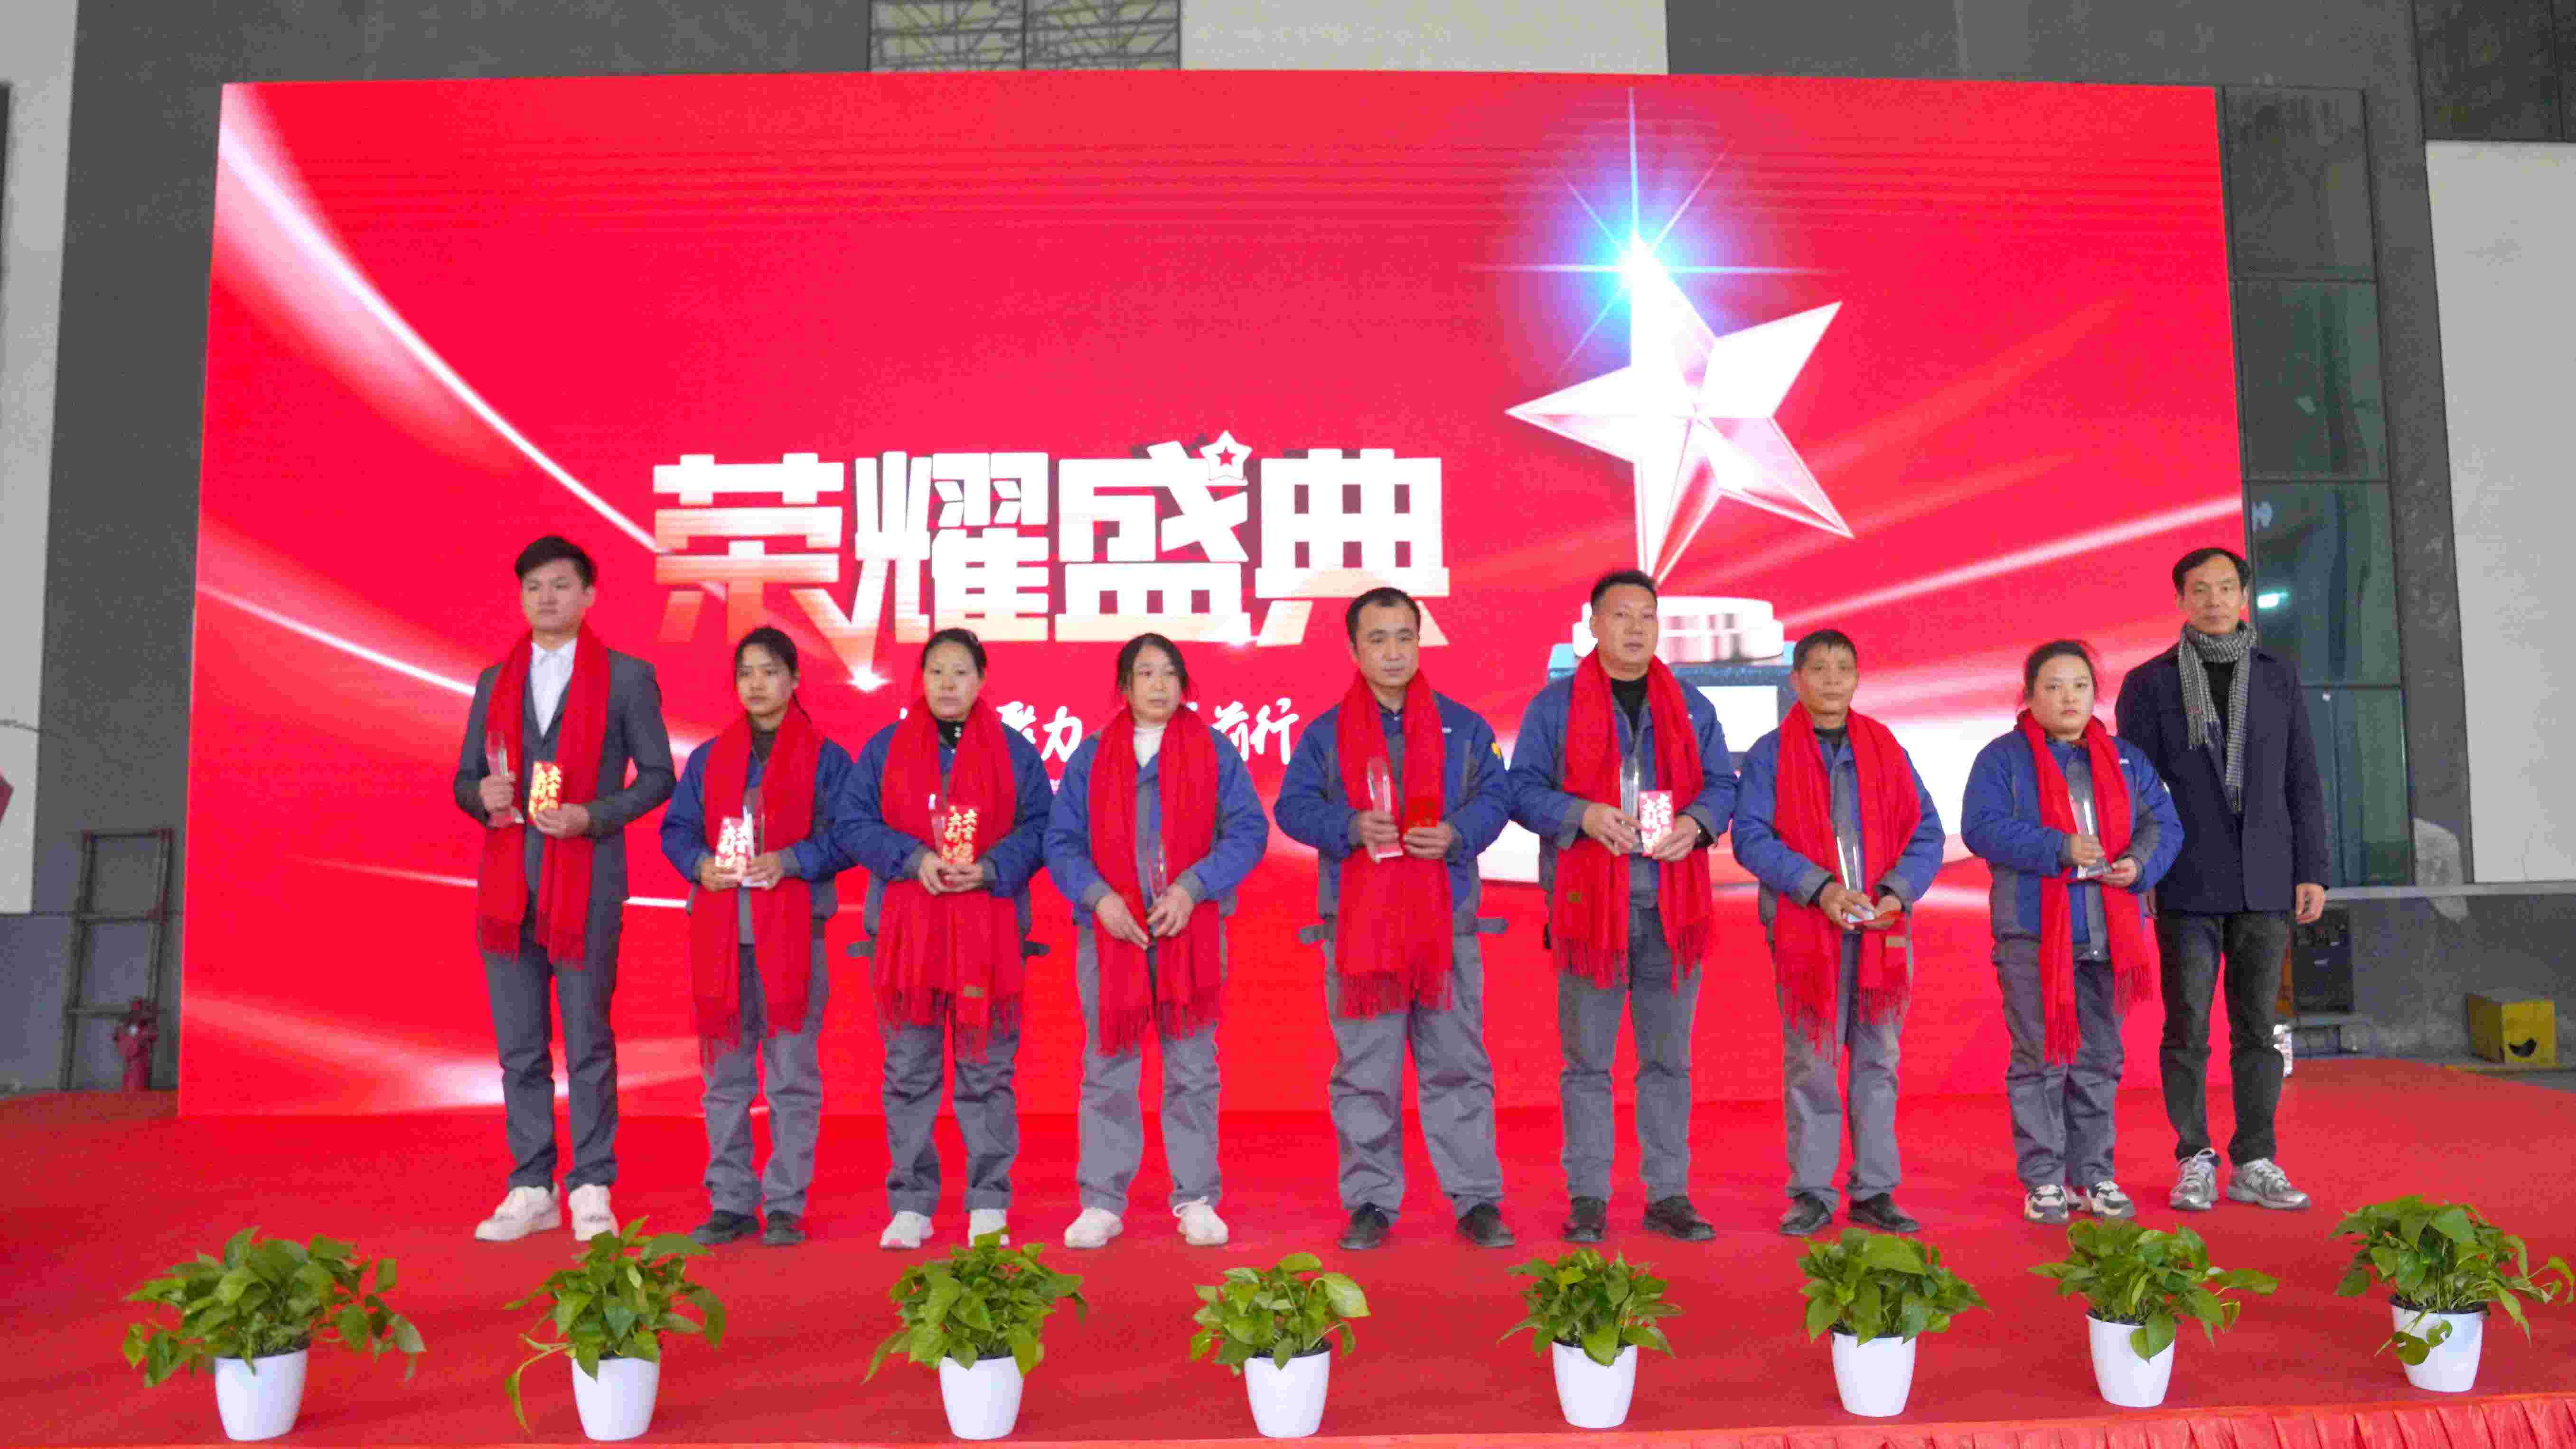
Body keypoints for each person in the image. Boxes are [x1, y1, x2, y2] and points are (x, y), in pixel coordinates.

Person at [1275, 588, 1517, 1251]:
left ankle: (1476, 1199)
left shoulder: (1463, 727)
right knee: (1365, 1072)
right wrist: (1348, 825)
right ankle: (1371, 1200)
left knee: (1458, 1066)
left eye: (1404, 636)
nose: (1392, 651)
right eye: (1377, 639)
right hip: (1361, 932)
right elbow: (1291, 807)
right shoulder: (1326, 733)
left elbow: (1497, 798)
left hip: (1446, 930)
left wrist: (1457, 833)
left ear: (1419, 642)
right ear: (1354, 649)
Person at [451, 535, 673, 1243]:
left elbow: (659, 776)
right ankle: (531, 1184)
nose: (545, 598)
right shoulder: (494, 681)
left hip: (586, 884)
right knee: (519, 1046)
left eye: (559, 585)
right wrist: (481, 795)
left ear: (589, 595)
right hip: (507, 887)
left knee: (587, 1042)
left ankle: (593, 1182)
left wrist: (592, 816)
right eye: (533, 587)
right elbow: (463, 779)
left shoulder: (628, 677)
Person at [1507, 569, 1737, 1243]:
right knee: (1587, 1065)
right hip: (1589, 913)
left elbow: (1723, 785)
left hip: (1671, 907)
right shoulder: (1555, 706)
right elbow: (1520, 790)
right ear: (1593, 625)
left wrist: (1697, 823)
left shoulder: (1690, 705)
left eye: (1646, 616)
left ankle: (1668, 1194)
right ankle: (1588, 1197)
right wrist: (1580, 814)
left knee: (1668, 1063)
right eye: (1620, 615)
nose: (1635, 628)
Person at [2115, 547, 2328, 1215]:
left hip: (2266, 877)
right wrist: (2145, 867)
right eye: (2200, 589)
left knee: (2257, 1027)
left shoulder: (2276, 675)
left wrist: (2312, 869)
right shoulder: (2148, 683)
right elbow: (2135, 791)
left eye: (2226, 587)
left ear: (2243, 596)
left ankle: (2255, 1158)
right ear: (2179, 600)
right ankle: (2194, 1157)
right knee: (2186, 1027)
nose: (2213, 600)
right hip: (2186, 879)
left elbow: (2301, 777)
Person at [1043, 634, 1270, 1249]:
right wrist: (1100, 898)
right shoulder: (1093, 755)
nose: (1159, 684)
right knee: (1107, 1065)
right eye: (1145, 673)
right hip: (1111, 935)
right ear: (1124, 685)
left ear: (1184, 683)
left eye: (1169, 673)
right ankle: (1101, 1201)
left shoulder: (1213, 750)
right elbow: (1060, 841)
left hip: (1187, 932)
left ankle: (1196, 1198)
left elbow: (1248, 831)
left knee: (1193, 1067)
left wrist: (1193, 888)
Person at [838, 628, 1054, 1251]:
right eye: (936, 671)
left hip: (987, 934)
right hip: (909, 937)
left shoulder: (1015, 752)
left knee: (987, 1071)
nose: (947, 683)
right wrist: (912, 859)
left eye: (960, 671)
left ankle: (989, 1201)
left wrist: (990, 867)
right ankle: (911, 1201)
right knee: (908, 1070)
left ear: (981, 680)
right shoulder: (886, 748)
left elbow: (1043, 827)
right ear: (921, 679)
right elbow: (852, 822)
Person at [1729, 630, 1946, 1237]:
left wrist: (1897, 891)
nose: (1831, 679)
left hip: (1881, 927)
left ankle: (1875, 1189)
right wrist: (1819, 888)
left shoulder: (1885, 745)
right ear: (1795, 680)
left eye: (1843, 667)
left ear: (1857, 677)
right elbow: (1751, 837)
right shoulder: (1771, 753)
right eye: (1818, 668)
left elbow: (1926, 830)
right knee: (1812, 1063)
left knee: (1879, 1060)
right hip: (1807, 927)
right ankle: (1812, 1191)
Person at [1962, 641, 2182, 1225]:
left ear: (2094, 693)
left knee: (2100, 1060)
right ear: (2030, 694)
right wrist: (2057, 847)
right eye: (2054, 686)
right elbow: (1980, 827)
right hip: (2033, 936)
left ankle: (2094, 1174)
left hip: (2109, 934)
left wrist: (2139, 864)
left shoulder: (2126, 759)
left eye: (2080, 685)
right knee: (2039, 1060)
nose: (2069, 697)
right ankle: (2043, 1179)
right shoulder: (2002, 758)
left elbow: (2164, 824)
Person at [657, 628, 855, 1249]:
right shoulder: (710, 758)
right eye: (745, 672)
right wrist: (699, 865)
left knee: (792, 1075)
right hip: (722, 937)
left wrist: (790, 860)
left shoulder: (827, 759)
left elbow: (850, 834)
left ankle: (787, 1203)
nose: (756, 683)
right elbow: (676, 830)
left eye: (769, 671)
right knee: (725, 1079)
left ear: (794, 680)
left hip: (794, 936)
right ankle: (731, 1201)